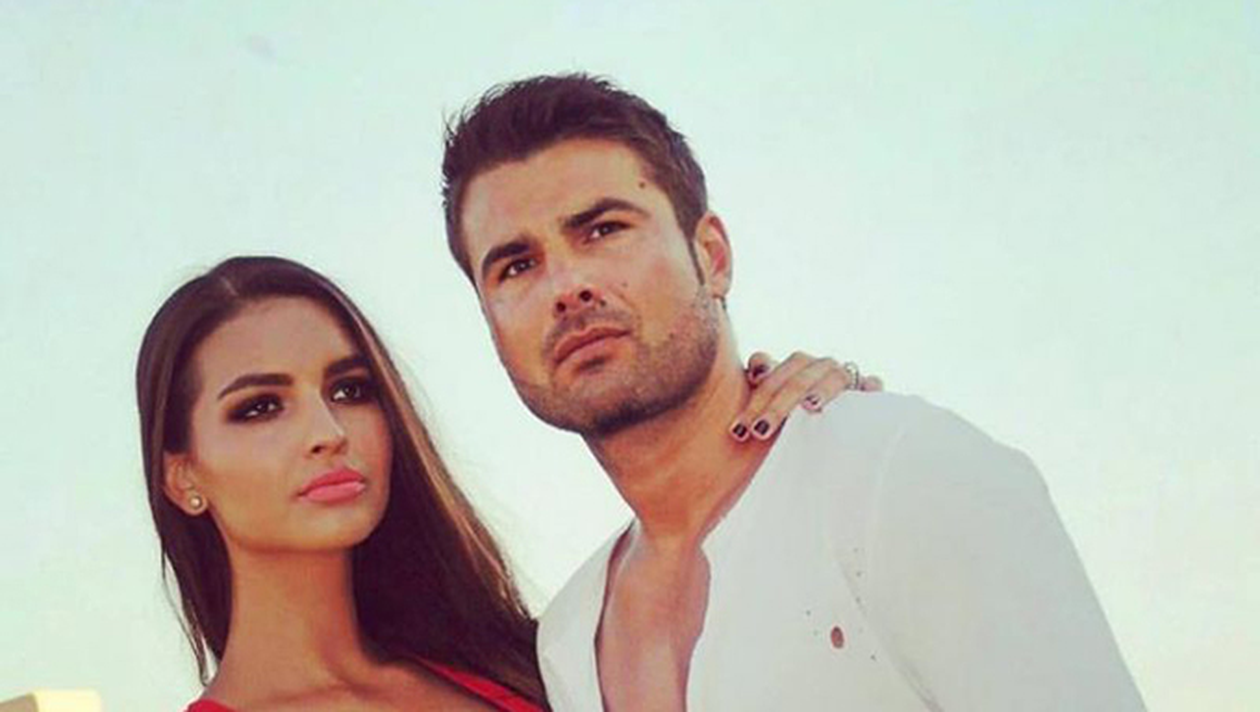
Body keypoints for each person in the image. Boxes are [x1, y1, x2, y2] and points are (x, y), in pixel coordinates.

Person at [441, 74, 1147, 711]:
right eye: (516, 266)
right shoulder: (566, 639)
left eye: (603, 230)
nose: (568, 287)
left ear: (712, 256)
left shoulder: (899, 474)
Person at [136, 256, 867, 711]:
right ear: (183, 475)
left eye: (351, 390)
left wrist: (822, 426)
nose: (327, 430)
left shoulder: (536, 658)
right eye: (259, 408)